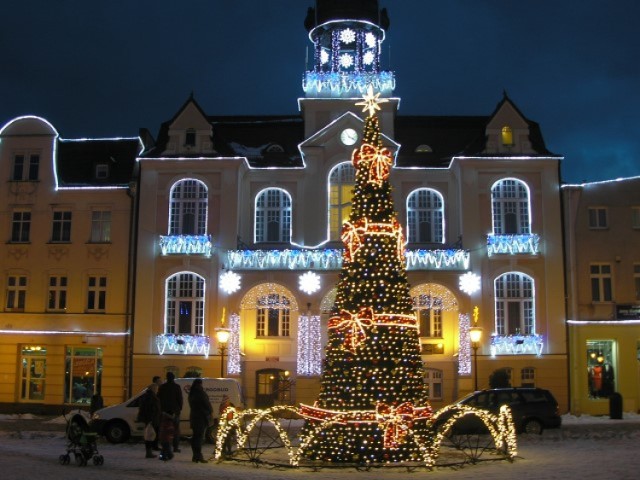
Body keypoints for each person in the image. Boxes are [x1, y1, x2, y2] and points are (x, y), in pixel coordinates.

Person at [188, 378, 213, 463]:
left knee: (195, 437)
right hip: (201, 417)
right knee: (199, 438)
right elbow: (207, 404)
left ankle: (195, 455)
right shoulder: (200, 393)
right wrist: (210, 410)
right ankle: (198, 456)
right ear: (200, 384)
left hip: (194, 417)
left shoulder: (192, 393)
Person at [157, 372, 183, 453]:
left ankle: (165, 446)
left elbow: (158, 399)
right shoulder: (177, 387)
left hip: (164, 412)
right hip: (175, 412)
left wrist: (161, 409)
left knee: (165, 429)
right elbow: (180, 399)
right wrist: (179, 409)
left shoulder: (162, 387)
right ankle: (175, 447)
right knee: (175, 430)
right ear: (173, 378)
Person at [137, 383, 161, 459]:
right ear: (153, 389)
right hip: (151, 419)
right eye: (156, 388)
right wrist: (150, 419)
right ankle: (149, 453)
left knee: (150, 435)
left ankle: (149, 452)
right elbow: (150, 409)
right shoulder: (150, 397)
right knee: (150, 436)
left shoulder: (149, 396)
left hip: (152, 419)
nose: (157, 390)